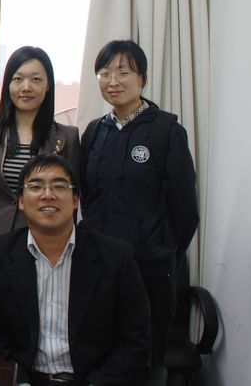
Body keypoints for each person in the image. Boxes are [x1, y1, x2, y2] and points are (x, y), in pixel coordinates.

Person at [0, 154, 151, 386]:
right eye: (36, 186)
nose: (48, 195)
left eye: (59, 186)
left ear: (75, 200)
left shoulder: (116, 257)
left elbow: (135, 342)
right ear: (21, 201)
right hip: (23, 379)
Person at [79, 39, 199, 366]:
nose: (113, 81)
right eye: (104, 73)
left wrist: (162, 253)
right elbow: (88, 198)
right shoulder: (94, 132)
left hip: (149, 271)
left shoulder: (166, 131)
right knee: (98, 356)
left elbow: (186, 210)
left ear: (141, 79)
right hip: (99, 267)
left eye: (123, 72)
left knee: (143, 361)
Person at [0, 46, 80, 287]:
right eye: (18, 79)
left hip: (46, 247)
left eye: (36, 79)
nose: (26, 87)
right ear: (8, 84)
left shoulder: (67, 137)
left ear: (48, 85)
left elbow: (70, 206)